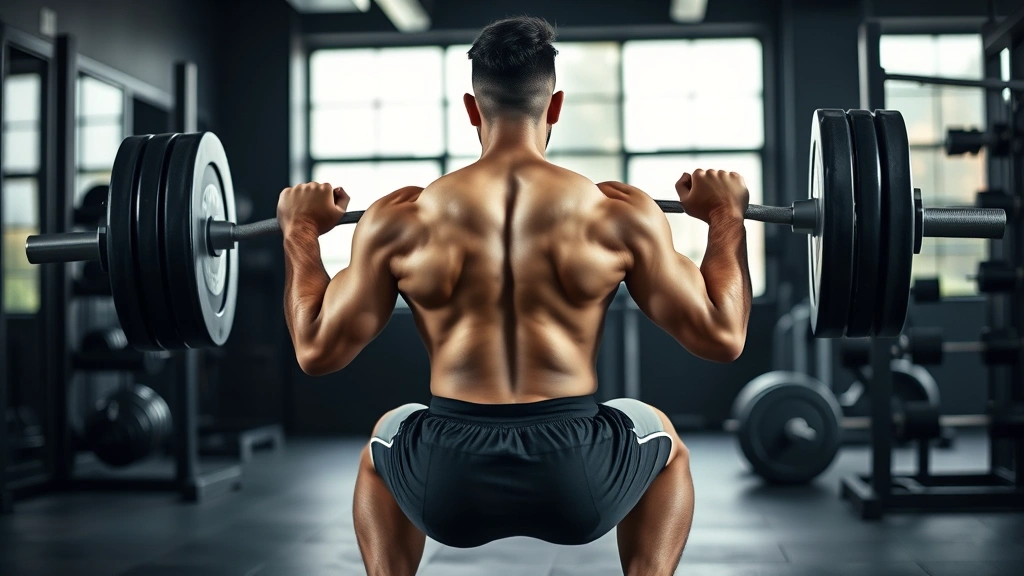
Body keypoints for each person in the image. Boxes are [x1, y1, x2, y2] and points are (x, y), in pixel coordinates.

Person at [276, 15, 751, 576]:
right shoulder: (615, 214)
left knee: (385, 439)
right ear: (555, 107)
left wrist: (300, 231)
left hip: (447, 486)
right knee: (664, 442)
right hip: (577, 481)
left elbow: (314, 350)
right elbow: (724, 336)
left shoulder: (400, 218)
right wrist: (725, 216)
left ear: (473, 109)